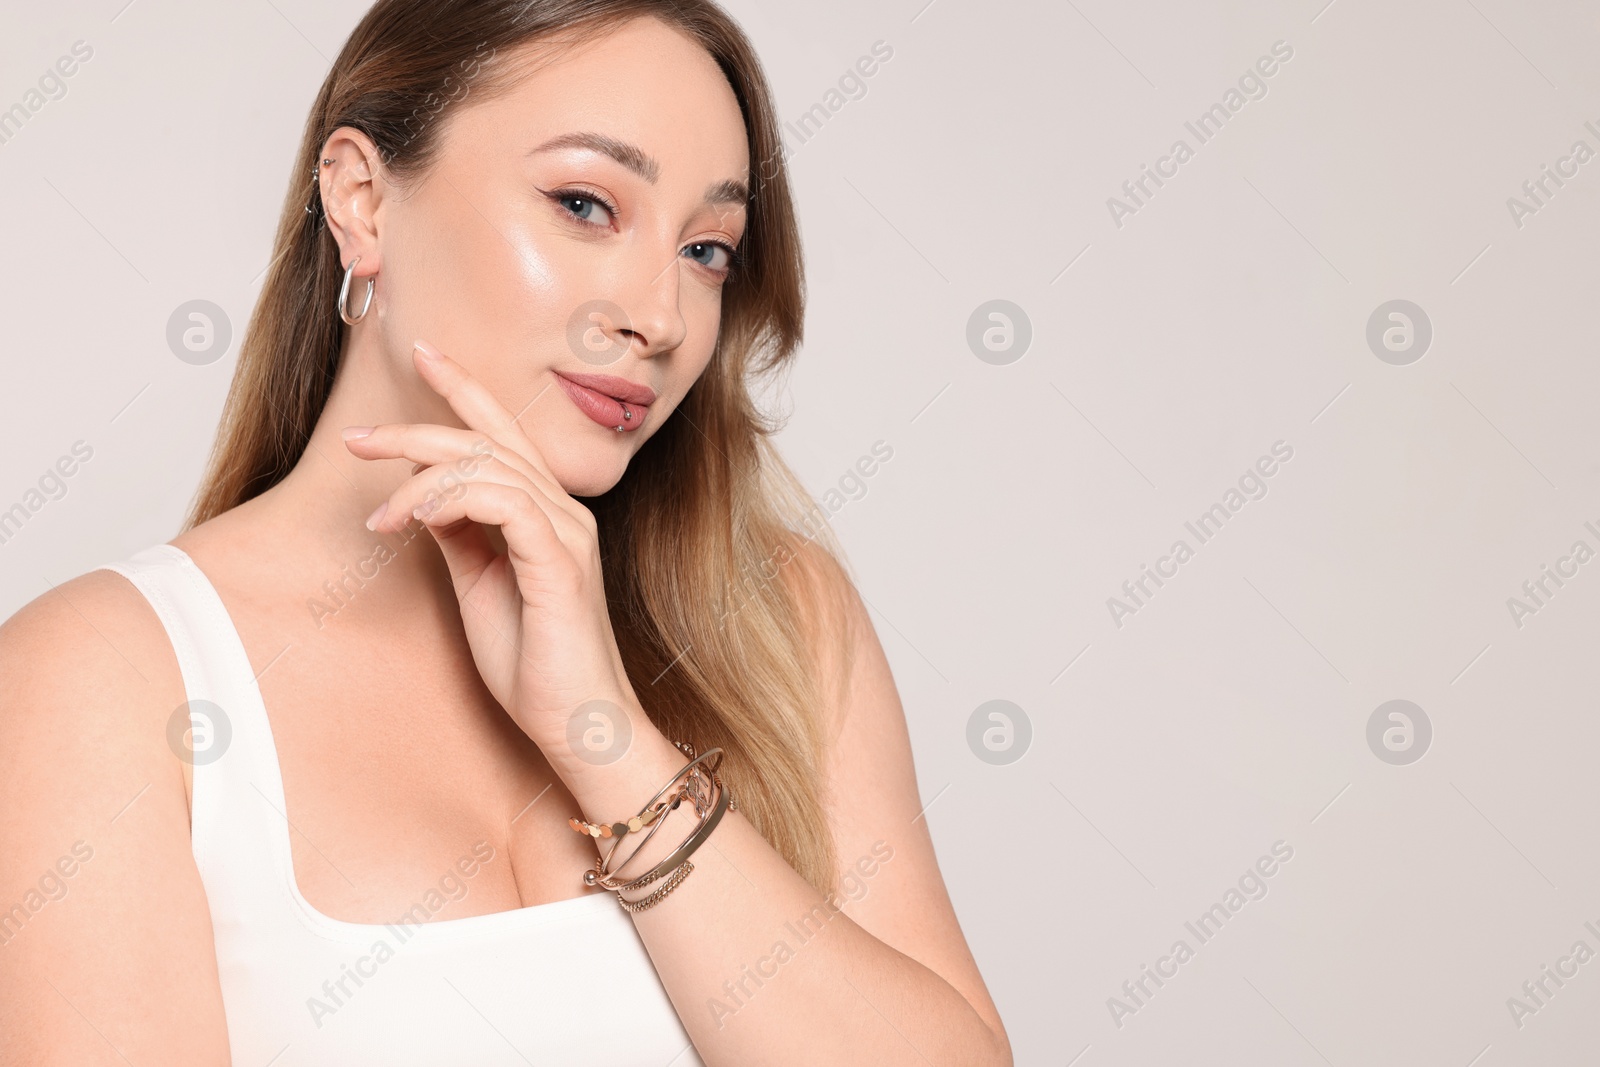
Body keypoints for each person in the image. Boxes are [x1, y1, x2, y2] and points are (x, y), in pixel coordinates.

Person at [0, 2, 1012, 1064]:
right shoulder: (101, 682)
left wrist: (602, 731)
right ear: (361, 199)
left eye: (707, 248)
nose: (661, 315)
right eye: (584, 202)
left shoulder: (775, 614)